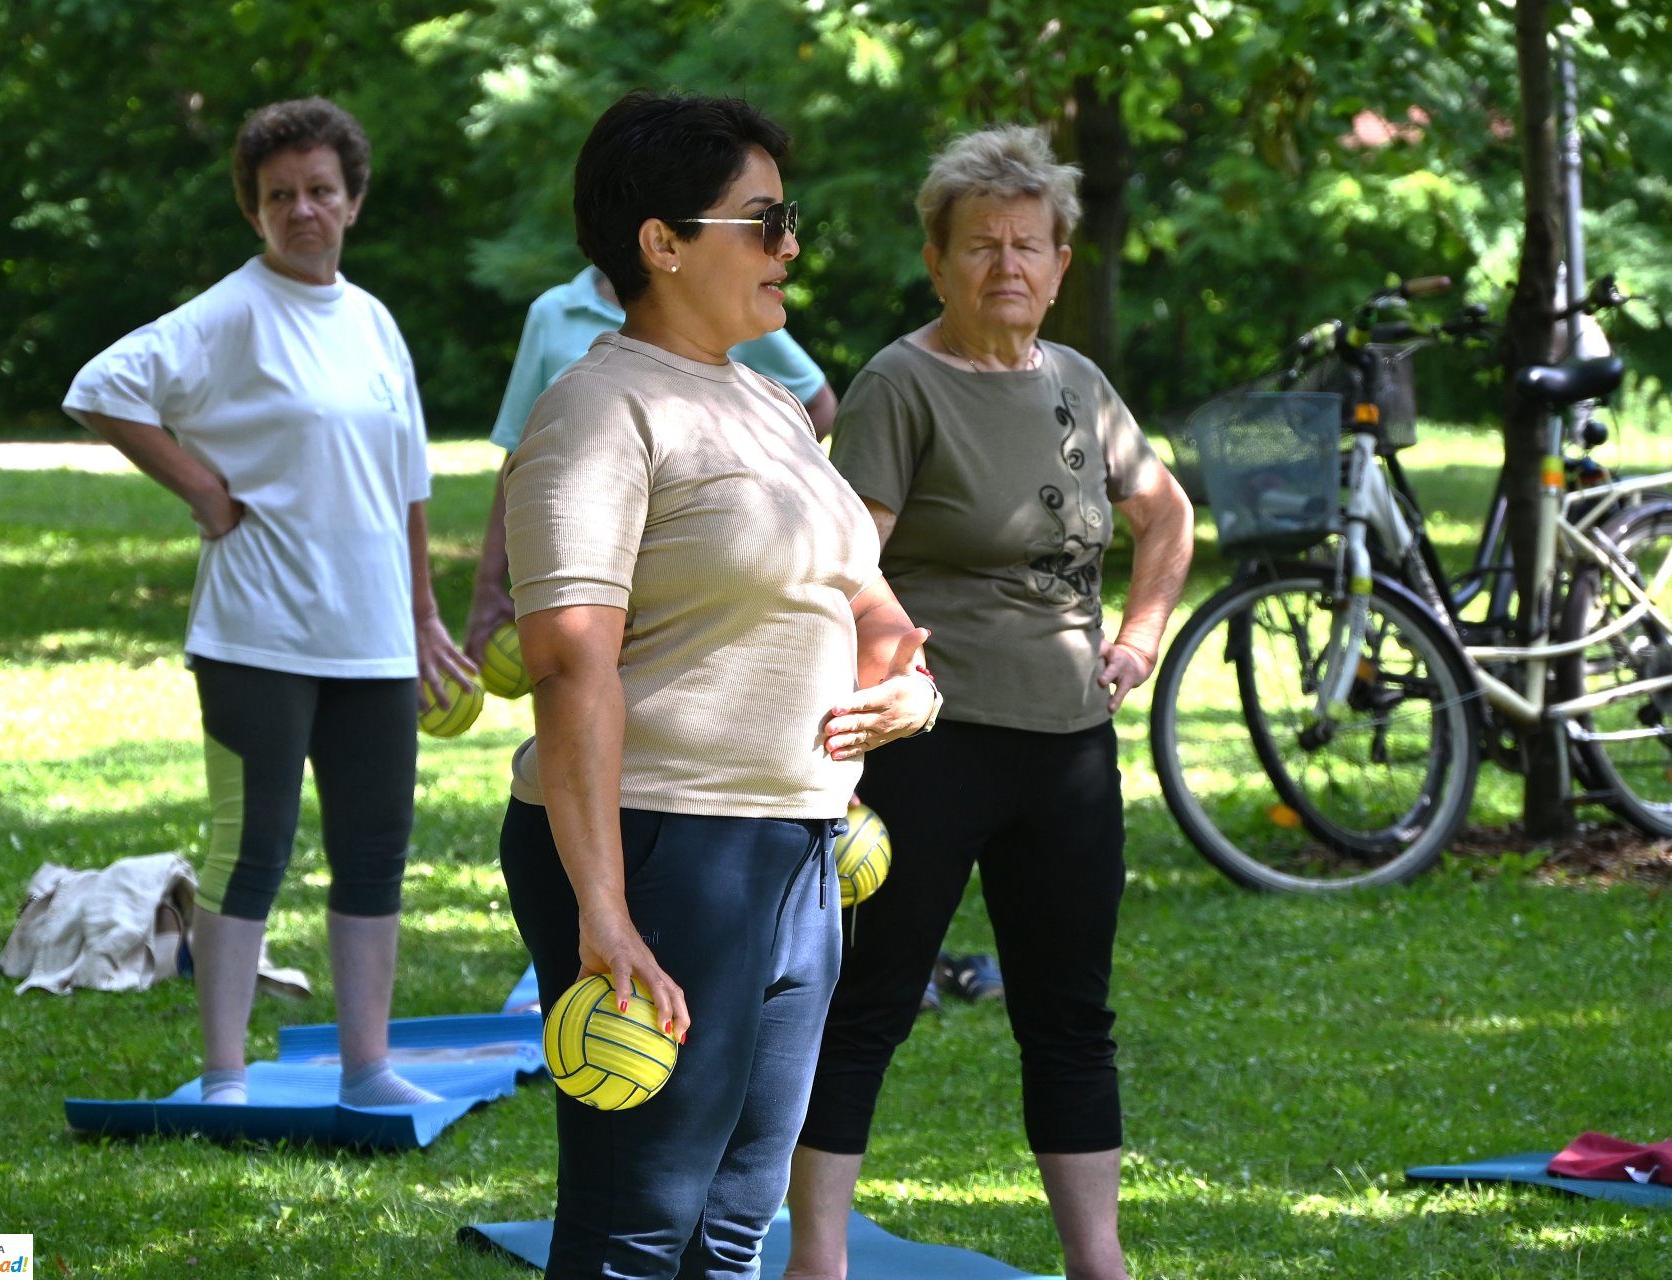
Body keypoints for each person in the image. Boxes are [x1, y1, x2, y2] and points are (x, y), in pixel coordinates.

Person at [496, 90, 937, 1278]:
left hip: (794, 848)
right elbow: (567, 660)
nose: (791, 245)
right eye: (765, 219)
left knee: (737, 1219)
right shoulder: (598, 409)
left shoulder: (771, 404)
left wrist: (910, 687)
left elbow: (864, 591)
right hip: (658, 846)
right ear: (663, 241)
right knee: (639, 1223)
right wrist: (604, 909)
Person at [784, 126, 1195, 1280]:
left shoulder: (1079, 384)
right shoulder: (899, 384)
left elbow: (1166, 513)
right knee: (868, 1002)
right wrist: (879, 684)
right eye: (979, 246)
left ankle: (1098, 1260)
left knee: (1071, 1015)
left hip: (1069, 748)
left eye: (1028, 245)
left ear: (1062, 263)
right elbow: (843, 566)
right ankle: (819, 1257)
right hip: (932, 744)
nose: (1005, 266)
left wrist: (1140, 636)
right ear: (937, 259)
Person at [62, 97, 473, 1109]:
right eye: (279, 194)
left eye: (320, 191)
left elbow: (409, 484)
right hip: (257, 636)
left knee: (374, 854)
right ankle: (224, 1075)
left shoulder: (374, 322)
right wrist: (200, 486)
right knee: (251, 851)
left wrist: (422, 615)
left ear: (353, 201)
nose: (302, 209)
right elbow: (101, 384)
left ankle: (369, 1068)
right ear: (254, 210)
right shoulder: (228, 313)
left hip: (373, 641)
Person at [462, 267, 837, 663]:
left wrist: (748, 485)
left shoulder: (716, 304)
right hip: (580, 549)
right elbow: (519, 454)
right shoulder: (553, 311)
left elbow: (817, 400)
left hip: (682, 564)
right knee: (575, 671)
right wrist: (488, 585)